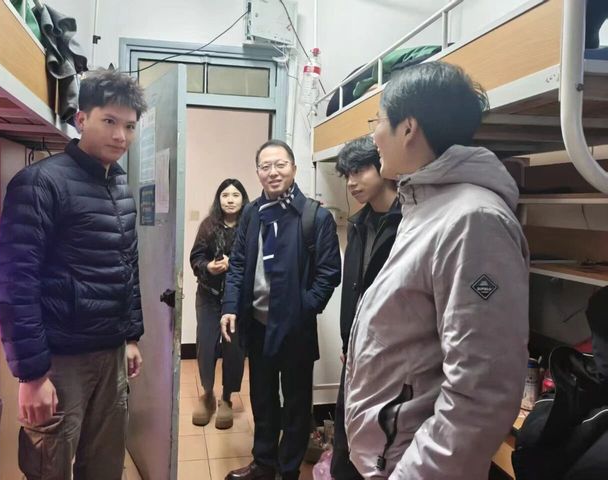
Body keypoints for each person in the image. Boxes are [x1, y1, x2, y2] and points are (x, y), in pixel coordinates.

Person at [345, 61, 530, 479]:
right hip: (388, 455)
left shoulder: (473, 220)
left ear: (408, 128)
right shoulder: (426, 207)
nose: (374, 136)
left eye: (378, 121)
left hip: (413, 466)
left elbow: (482, 391)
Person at [0, 68, 147, 480]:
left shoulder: (120, 188)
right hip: (61, 361)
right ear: (81, 119)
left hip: (111, 354)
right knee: (50, 467)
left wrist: (131, 336)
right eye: (109, 121)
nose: (120, 136)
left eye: (130, 126)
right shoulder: (40, 183)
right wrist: (31, 374)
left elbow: (127, 266)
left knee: (105, 467)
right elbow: (14, 283)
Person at [220, 139, 341, 480]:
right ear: (258, 172)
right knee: (262, 398)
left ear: (294, 168)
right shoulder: (252, 213)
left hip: (296, 330)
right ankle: (264, 464)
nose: (272, 172)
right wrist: (230, 306)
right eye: (265, 166)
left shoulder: (315, 217)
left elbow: (329, 273)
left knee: (297, 404)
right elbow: (239, 263)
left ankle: (288, 470)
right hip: (258, 325)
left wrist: (303, 309)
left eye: (280, 165)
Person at [331, 136, 402, 480]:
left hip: (392, 355)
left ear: (383, 167)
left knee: (380, 442)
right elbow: (353, 289)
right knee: (345, 433)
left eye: (359, 171)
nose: (351, 182)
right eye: (347, 175)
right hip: (356, 351)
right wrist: (348, 341)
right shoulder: (358, 224)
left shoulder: (408, 222)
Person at [189, 178, 249, 429]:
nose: (230, 200)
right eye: (225, 195)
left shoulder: (250, 225)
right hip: (208, 295)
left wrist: (235, 267)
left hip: (237, 300)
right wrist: (209, 267)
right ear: (219, 199)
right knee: (206, 346)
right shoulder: (208, 225)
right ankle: (207, 395)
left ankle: (227, 397)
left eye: (235, 195)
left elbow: (256, 260)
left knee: (234, 348)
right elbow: (196, 258)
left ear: (243, 199)